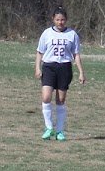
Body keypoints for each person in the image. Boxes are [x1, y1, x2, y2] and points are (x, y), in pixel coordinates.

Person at [35, 8, 85, 141]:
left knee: (60, 100)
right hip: (49, 67)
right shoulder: (46, 33)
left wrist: (81, 72)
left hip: (64, 67)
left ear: (66, 20)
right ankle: (49, 127)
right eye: (57, 19)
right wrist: (37, 68)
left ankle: (59, 131)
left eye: (62, 19)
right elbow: (40, 52)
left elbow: (76, 54)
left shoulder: (72, 34)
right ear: (53, 19)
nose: (60, 22)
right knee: (46, 97)